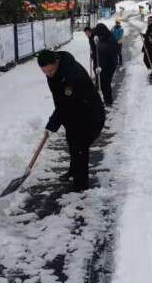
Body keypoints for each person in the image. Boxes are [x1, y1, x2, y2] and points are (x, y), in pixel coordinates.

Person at [38, 49, 105, 191]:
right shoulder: (56, 71)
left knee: (80, 146)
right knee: (72, 142)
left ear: (56, 62)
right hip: (73, 113)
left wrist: (52, 124)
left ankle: (81, 184)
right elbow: (61, 101)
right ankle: (74, 171)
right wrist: (56, 121)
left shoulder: (72, 75)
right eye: (45, 72)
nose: (48, 74)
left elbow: (66, 104)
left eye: (50, 70)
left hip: (90, 113)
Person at [92, 23, 118, 105]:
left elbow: (110, 55)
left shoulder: (111, 40)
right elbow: (98, 51)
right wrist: (94, 54)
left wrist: (102, 66)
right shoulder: (102, 37)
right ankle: (106, 99)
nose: (97, 35)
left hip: (109, 65)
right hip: (102, 64)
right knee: (103, 83)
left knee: (106, 83)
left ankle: (108, 100)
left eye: (98, 33)